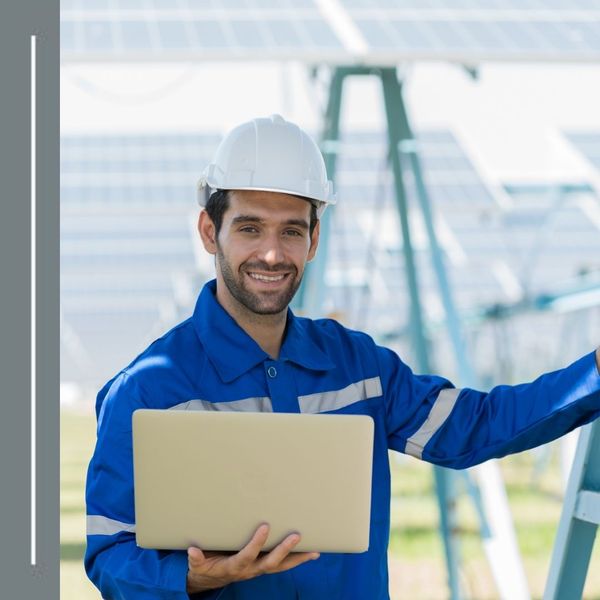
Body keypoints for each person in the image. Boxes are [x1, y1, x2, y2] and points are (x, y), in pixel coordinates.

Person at [85, 114, 600, 599]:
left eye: (291, 230)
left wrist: (593, 373)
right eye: (249, 228)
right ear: (208, 232)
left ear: (313, 239)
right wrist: (193, 578)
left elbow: (474, 425)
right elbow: (109, 555)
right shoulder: (148, 389)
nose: (271, 253)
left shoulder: (358, 365)